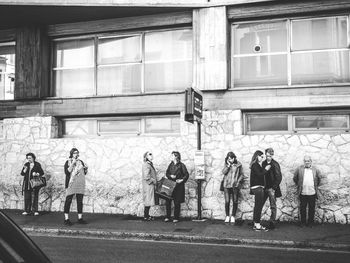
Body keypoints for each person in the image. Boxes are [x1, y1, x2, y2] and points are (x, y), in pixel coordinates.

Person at [293, 155, 322, 227]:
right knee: (302, 208)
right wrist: (299, 184)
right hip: (302, 192)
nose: (307, 162)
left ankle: (310, 222)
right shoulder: (299, 169)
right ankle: (303, 222)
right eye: (305, 161)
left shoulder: (315, 169)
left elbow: (319, 178)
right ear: (304, 162)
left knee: (311, 208)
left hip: (312, 192)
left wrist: (315, 185)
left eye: (308, 161)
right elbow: (295, 178)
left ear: (311, 161)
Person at [63, 148, 88, 226]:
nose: (76, 154)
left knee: (80, 201)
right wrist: (72, 163)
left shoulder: (81, 162)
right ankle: (66, 219)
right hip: (71, 183)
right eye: (74, 153)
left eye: (77, 153)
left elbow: (84, 173)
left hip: (80, 183)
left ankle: (80, 218)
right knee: (68, 200)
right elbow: (67, 172)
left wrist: (86, 169)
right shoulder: (68, 162)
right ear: (71, 154)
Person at [221, 151, 246, 224]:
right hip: (227, 185)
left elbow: (242, 174)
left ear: (234, 158)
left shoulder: (238, 165)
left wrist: (238, 181)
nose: (230, 160)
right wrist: (228, 166)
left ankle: (233, 216)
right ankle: (227, 216)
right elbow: (223, 172)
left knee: (235, 201)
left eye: (231, 159)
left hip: (235, 185)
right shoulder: (226, 164)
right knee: (227, 201)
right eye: (229, 159)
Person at [165, 151, 189, 223]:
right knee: (168, 201)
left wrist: (182, 180)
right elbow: (167, 173)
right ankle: (168, 217)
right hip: (170, 185)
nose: (171, 157)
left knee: (177, 202)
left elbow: (186, 174)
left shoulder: (182, 165)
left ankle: (176, 217)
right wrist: (170, 176)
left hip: (178, 186)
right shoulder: (170, 164)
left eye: (172, 156)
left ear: (176, 156)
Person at [249, 150, 271, 231]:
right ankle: (257, 224)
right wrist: (266, 169)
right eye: (261, 156)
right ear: (256, 156)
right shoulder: (255, 165)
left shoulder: (257, 165)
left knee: (257, 206)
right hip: (257, 188)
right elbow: (260, 174)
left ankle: (256, 223)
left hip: (258, 187)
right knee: (258, 206)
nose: (262, 158)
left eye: (263, 157)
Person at [261, 148, 282, 230]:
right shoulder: (263, 163)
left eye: (270, 156)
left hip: (271, 188)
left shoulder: (275, 164)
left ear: (272, 155)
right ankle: (256, 221)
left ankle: (272, 222)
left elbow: (279, 177)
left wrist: (274, 188)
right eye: (267, 156)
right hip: (264, 188)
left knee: (273, 206)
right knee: (260, 204)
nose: (268, 157)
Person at [142, 151, 157, 221]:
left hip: (149, 185)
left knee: (148, 200)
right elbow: (146, 176)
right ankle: (146, 216)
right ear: (146, 157)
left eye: (151, 154)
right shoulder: (146, 165)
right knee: (148, 200)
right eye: (149, 154)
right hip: (148, 185)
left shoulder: (149, 164)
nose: (151, 155)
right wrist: (153, 181)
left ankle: (147, 215)